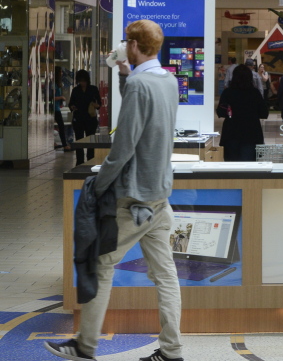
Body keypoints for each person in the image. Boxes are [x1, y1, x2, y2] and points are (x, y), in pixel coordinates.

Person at [45, 19, 183, 361]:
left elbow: (123, 147)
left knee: (102, 264)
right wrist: (123, 74)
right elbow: (141, 108)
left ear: (133, 45)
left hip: (133, 199)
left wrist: (98, 184)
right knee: (166, 275)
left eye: (127, 42)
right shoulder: (168, 80)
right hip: (159, 197)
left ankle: (85, 345)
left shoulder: (139, 85)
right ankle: (171, 350)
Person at [216, 64, 267, 162]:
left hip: (231, 133)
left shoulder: (228, 92)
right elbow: (264, 113)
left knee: (232, 164)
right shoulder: (255, 93)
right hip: (251, 133)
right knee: (248, 165)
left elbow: (220, 112)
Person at [68, 69, 101, 166]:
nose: (82, 83)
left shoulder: (93, 89)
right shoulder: (75, 90)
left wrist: (95, 105)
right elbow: (71, 103)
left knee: (90, 141)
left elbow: (99, 104)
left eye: (84, 81)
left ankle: (91, 160)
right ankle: (80, 162)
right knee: (79, 141)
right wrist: (72, 107)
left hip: (90, 119)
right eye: (80, 81)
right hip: (78, 118)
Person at [53, 65, 70, 151]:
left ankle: (54, 142)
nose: (62, 73)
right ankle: (64, 144)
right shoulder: (54, 85)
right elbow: (52, 97)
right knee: (61, 126)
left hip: (56, 107)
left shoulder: (57, 84)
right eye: (60, 72)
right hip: (54, 109)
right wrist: (61, 98)